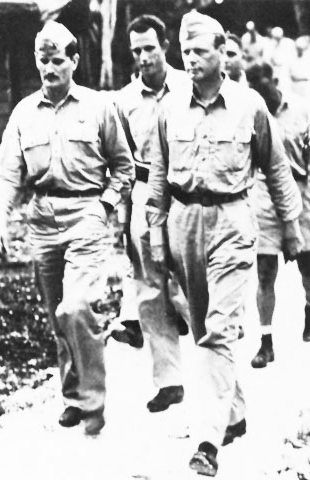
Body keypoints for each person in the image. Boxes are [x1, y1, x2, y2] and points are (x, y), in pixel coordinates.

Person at [146, 11, 303, 477]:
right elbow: (157, 177)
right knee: (201, 329)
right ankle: (233, 413)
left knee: (220, 327)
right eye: (185, 51)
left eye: (199, 50)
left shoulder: (249, 104)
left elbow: (275, 167)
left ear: (220, 51)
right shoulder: (169, 108)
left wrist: (291, 224)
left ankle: (206, 441)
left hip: (234, 220)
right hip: (184, 221)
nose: (190, 59)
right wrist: (156, 233)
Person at [0, 21, 135, 435]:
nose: (49, 69)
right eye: (42, 60)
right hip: (42, 219)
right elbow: (6, 176)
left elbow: (123, 167)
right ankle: (71, 394)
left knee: (74, 307)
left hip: (87, 213)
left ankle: (93, 404)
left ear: (74, 61)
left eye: (57, 61)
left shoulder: (97, 107)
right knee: (58, 318)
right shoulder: (22, 113)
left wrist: (105, 205)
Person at [113, 15, 190, 413]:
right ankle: (169, 380)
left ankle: (207, 338)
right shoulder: (124, 102)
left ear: (166, 47)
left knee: (192, 280)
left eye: (150, 48)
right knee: (149, 286)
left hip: (189, 193)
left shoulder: (189, 88)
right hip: (146, 193)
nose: (143, 57)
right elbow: (123, 164)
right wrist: (124, 219)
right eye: (136, 51)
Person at [247, 65, 310, 369]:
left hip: (300, 191)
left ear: (275, 82)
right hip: (263, 195)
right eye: (253, 88)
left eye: (263, 86)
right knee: (265, 273)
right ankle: (266, 342)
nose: (259, 94)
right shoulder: (248, 113)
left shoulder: (301, 110)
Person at [288, 36, 310, 116]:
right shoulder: (292, 58)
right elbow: (288, 74)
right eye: (298, 48)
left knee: (309, 110)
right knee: (295, 110)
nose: (299, 50)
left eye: (301, 48)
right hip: (295, 86)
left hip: (307, 86)